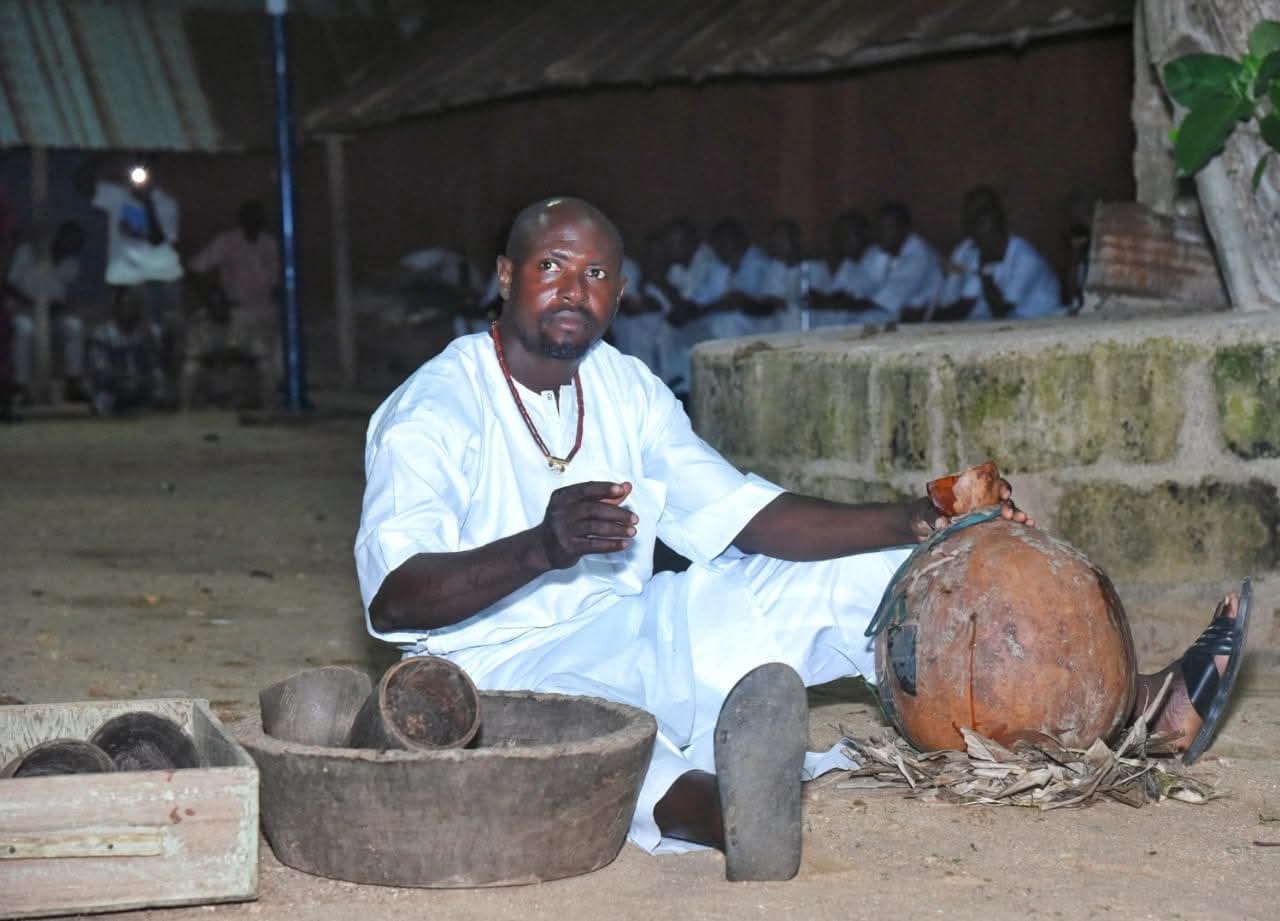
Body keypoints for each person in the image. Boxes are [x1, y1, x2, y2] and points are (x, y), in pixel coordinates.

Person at [354, 196, 1249, 881]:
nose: (573, 291)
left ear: (620, 296)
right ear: (505, 275)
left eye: (595, 277)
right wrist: (540, 547)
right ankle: (729, 813)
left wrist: (914, 522)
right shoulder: (434, 408)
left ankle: (1135, 709)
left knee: (877, 575)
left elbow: (752, 517)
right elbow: (395, 599)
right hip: (499, 673)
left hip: (634, 631)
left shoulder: (623, 388)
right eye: (552, 265)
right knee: (598, 747)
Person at [91, 159, 184, 383]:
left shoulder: (166, 203)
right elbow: (83, 185)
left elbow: (158, 239)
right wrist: (105, 166)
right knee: (131, 334)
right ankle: (134, 381)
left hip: (160, 277)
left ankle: (165, 383)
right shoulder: (116, 195)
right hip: (126, 277)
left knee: (164, 332)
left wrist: (147, 203)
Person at [188, 199, 281, 405]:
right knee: (237, 361)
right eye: (250, 217)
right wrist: (212, 297)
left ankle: (267, 403)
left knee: (269, 366)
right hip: (238, 314)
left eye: (258, 217)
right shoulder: (228, 242)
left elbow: (276, 282)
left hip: (267, 313)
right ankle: (233, 401)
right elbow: (195, 268)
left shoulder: (269, 244)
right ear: (241, 220)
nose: (254, 221)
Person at [934, 188, 1062, 321]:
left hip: (1038, 325)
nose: (974, 221)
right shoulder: (966, 250)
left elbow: (1000, 310)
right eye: (970, 217)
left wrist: (984, 272)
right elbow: (948, 301)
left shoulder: (1026, 258)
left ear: (1001, 220)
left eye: (982, 213)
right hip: (988, 327)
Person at [4, 221, 89, 404]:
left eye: (76, 243)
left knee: (74, 327)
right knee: (23, 330)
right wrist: (34, 304)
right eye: (69, 240)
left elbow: (68, 298)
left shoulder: (71, 264)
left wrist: (60, 307)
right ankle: (21, 387)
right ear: (59, 237)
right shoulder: (28, 251)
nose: (71, 245)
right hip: (25, 310)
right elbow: (9, 286)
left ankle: (72, 383)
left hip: (53, 316)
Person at [86, 286, 168, 417]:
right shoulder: (104, 333)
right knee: (102, 400)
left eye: (132, 305)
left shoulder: (149, 332)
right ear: (117, 307)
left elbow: (155, 364)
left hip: (142, 384)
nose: (128, 310)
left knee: (159, 385)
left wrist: (142, 379)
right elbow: (100, 368)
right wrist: (122, 380)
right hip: (114, 386)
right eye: (124, 305)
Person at [805, 211, 891, 328]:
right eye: (837, 236)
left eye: (847, 236)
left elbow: (857, 302)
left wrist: (826, 301)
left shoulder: (880, 260)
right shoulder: (840, 264)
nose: (840, 242)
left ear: (865, 235)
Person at [863, 202, 943, 323]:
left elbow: (884, 302)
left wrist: (836, 302)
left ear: (905, 229)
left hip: (919, 326)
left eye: (887, 228)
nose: (880, 234)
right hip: (898, 318)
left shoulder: (919, 256)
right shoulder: (882, 253)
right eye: (878, 228)